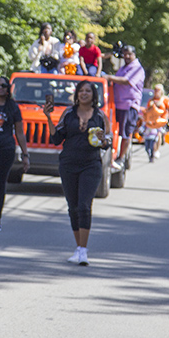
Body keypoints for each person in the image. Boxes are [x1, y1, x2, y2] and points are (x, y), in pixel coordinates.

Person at [43, 80, 112, 266]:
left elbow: (108, 142)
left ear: (93, 94)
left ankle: (83, 250)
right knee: (72, 206)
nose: (84, 94)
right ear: (77, 94)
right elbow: (56, 138)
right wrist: (49, 118)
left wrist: (103, 139)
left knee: (84, 205)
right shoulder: (68, 114)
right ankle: (78, 247)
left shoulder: (100, 116)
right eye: (81, 91)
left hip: (91, 165)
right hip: (68, 164)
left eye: (88, 91)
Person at [0, 76, 30, 232]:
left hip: (5, 148)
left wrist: (25, 154)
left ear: (8, 89)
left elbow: (20, 132)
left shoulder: (12, 107)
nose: (0, 88)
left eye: (3, 86)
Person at [102, 45, 145, 169]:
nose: (126, 56)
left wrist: (109, 77)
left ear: (134, 55)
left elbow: (127, 81)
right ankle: (114, 156)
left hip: (129, 105)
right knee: (114, 133)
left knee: (125, 133)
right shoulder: (123, 68)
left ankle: (121, 158)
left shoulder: (137, 69)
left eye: (129, 54)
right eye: (124, 54)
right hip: (116, 105)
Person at [141, 84, 169, 162]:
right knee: (152, 135)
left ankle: (156, 150)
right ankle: (152, 150)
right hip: (153, 120)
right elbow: (148, 110)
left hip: (162, 119)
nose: (156, 92)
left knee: (158, 134)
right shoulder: (151, 100)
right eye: (155, 90)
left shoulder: (165, 99)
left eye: (157, 90)